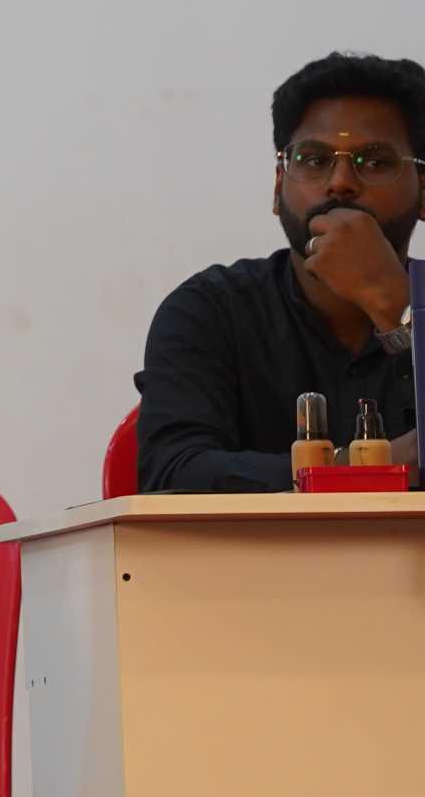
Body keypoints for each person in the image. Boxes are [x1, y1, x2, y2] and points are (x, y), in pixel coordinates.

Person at [136, 51, 420, 492]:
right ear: (277, 187)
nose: (340, 181)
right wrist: (355, 471)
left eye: (376, 161)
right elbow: (173, 470)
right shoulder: (211, 311)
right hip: (252, 563)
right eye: (313, 159)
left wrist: (400, 311)